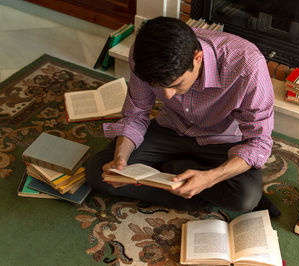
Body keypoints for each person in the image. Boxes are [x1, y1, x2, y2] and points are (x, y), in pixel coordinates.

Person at [86, 17, 280, 216]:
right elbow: (136, 114)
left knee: (245, 198)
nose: (167, 95)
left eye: (177, 84)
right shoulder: (144, 55)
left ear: (197, 58)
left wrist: (211, 178)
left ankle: (172, 170)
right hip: (170, 128)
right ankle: (194, 197)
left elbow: (258, 142)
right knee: (97, 173)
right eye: (160, 87)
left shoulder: (248, 66)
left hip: (222, 140)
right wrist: (121, 160)